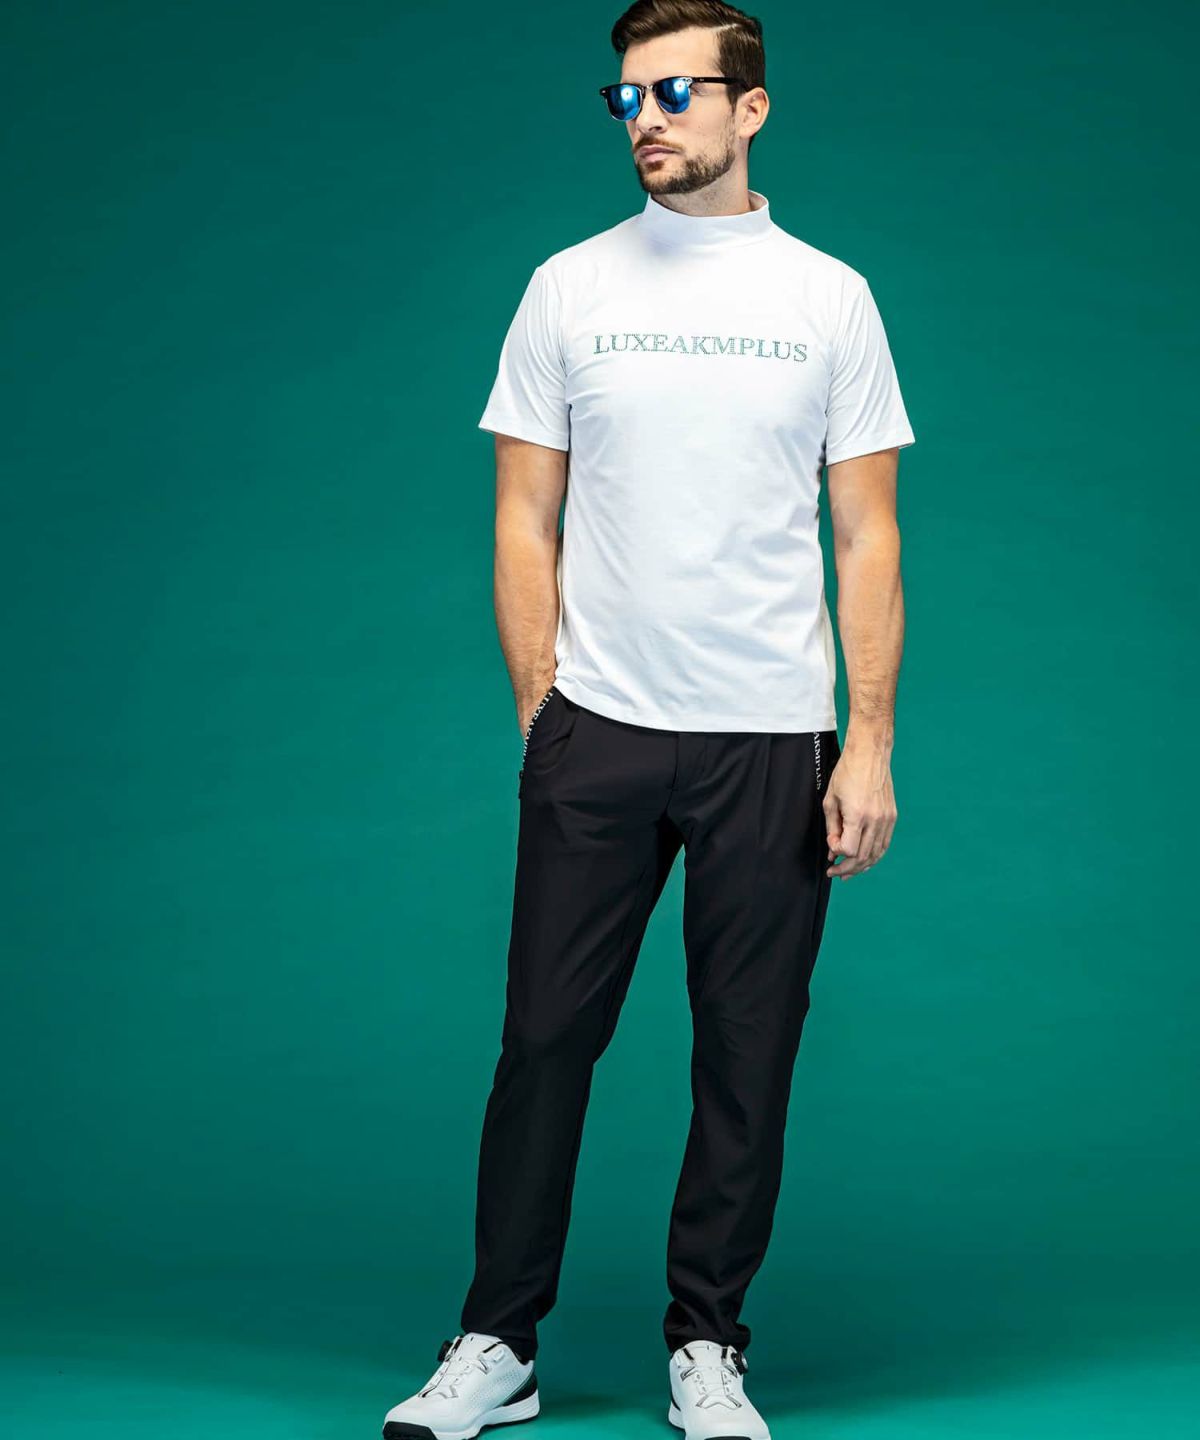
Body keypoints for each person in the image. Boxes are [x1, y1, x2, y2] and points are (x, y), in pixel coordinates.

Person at [382, 3, 915, 1437]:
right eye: (628, 99)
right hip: (600, 729)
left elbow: (866, 533)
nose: (650, 119)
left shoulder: (830, 298)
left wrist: (866, 740)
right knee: (544, 1041)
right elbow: (523, 512)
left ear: (752, 108)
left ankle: (709, 1347)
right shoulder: (567, 286)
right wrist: (543, 713)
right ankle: (498, 1342)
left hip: (774, 737)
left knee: (747, 1053)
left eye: (678, 92)